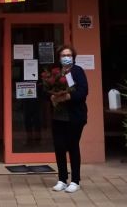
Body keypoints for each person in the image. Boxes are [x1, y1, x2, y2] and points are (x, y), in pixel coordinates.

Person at [49, 45, 88, 194]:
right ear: (59, 58)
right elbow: (48, 90)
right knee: (59, 147)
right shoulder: (56, 73)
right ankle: (62, 179)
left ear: (73, 57)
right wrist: (52, 97)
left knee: (72, 146)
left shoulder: (77, 71)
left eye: (69, 55)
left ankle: (75, 181)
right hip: (58, 116)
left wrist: (68, 96)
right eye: (63, 55)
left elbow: (83, 91)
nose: (66, 57)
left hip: (75, 117)